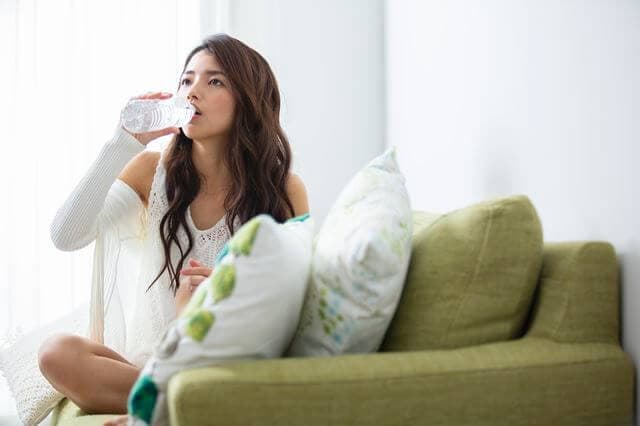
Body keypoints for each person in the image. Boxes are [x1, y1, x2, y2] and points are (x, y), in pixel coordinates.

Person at [37, 33, 309, 419]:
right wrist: (123, 142)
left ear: (248, 100)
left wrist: (225, 291)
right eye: (186, 80)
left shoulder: (283, 190)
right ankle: (176, 396)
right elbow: (65, 235)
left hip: (229, 357)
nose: (192, 91)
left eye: (214, 81)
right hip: (155, 361)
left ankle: (169, 401)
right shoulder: (151, 172)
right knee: (56, 353)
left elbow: (294, 295)